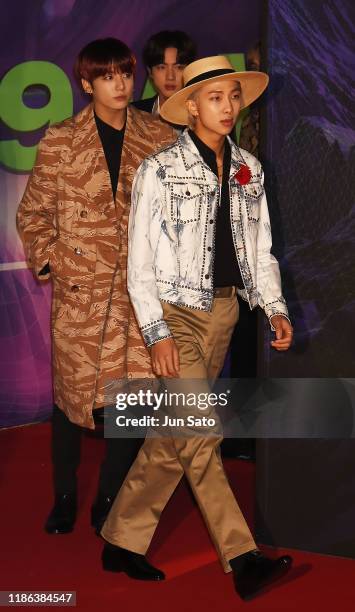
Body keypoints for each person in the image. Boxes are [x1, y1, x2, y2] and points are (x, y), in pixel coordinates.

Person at [100, 56, 294, 600]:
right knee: (202, 435)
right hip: (176, 315)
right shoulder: (159, 169)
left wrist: (274, 307)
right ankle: (244, 557)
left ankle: (120, 538)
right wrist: (158, 333)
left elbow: (260, 251)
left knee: (173, 438)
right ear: (190, 107)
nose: (227, 106)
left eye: (233, 95)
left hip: (226, 313)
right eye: (215, 97)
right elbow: (138, 261)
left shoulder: (248, 169)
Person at [16, 38, 176, 536]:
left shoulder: (160, 136)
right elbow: (33, 215)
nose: (120, 83)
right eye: (107, 76)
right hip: (81, 302)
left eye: (125, 73)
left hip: (139, 300)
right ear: (87, 84)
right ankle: (65, 496)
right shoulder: (61, 140)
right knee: (71, 402)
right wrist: (55, 262)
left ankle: (108, 499)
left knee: (131, 404)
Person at [132, 30, 196, 116]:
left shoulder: (201, 116)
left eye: (179, 67)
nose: (170, 77)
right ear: (150, 72)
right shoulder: (133, 114)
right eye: (162, 67)